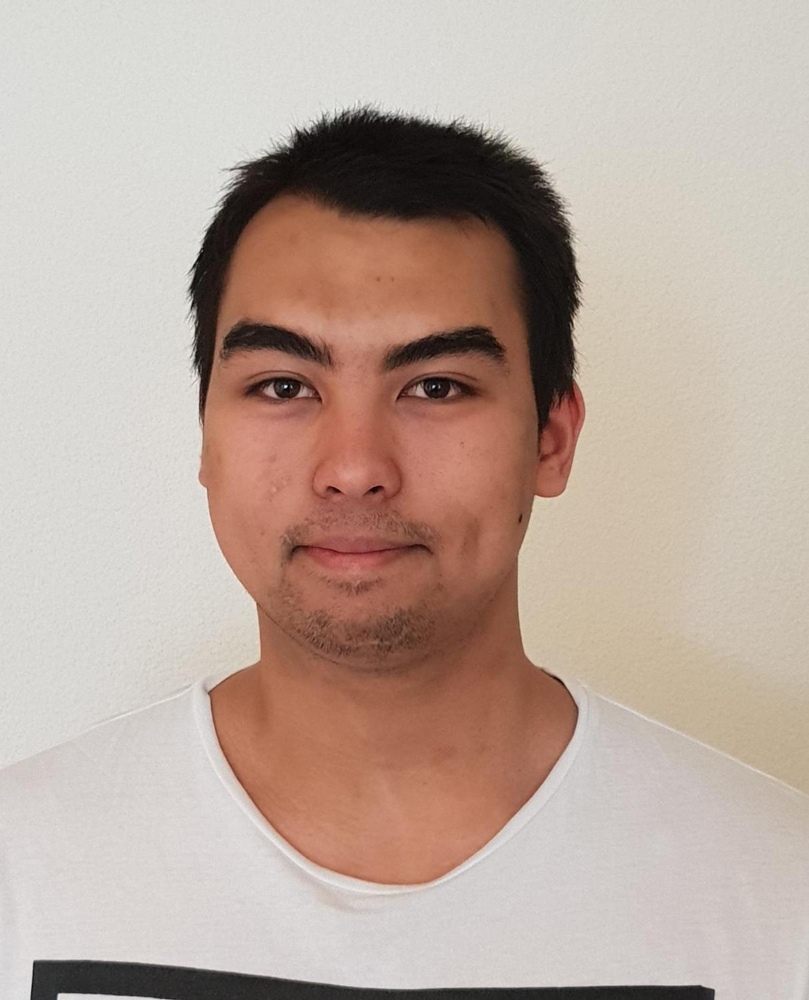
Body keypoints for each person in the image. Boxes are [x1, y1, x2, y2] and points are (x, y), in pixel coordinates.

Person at [1, 105, 806, 1000]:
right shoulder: (23, 867)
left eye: (436, 386)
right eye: (282, 385)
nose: (354, 469)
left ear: (550, 438)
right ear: (206, 436)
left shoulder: (778, 891)